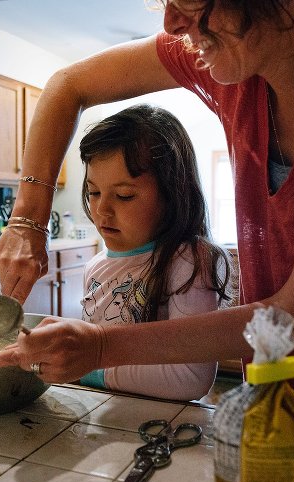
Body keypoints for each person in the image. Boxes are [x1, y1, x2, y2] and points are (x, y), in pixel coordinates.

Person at [0, 0, 294, 437]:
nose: (173, 22)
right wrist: (27, 219)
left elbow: (290, 317)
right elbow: (67, 85)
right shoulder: (237, 62)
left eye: (190, 2)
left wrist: (99, 349)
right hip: (276, 405)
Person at [74, 104, 237, 401]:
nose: (101, 210)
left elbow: (190, 377)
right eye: (93, 192)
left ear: (172, 194)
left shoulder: (189, 261)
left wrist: (87, 368)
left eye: (124, 195)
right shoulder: (95, 266)